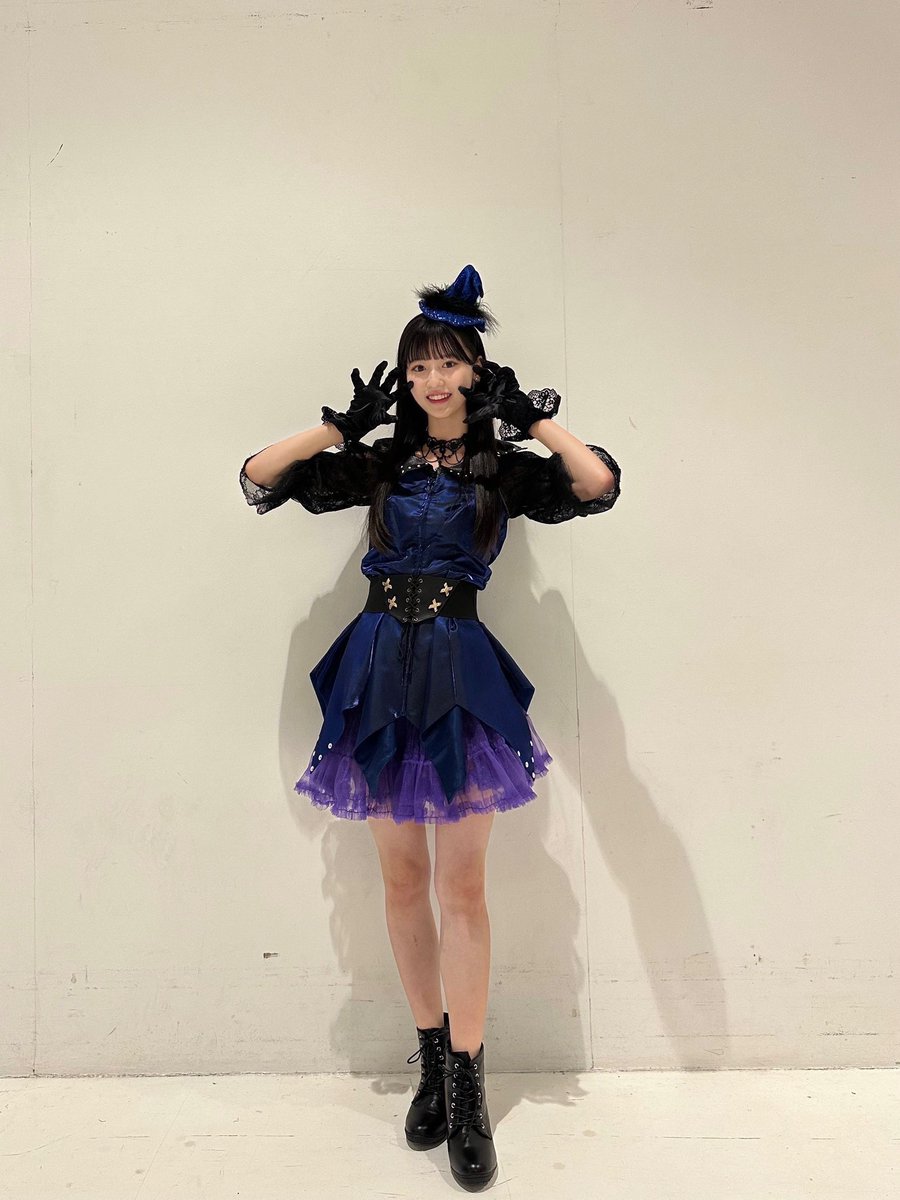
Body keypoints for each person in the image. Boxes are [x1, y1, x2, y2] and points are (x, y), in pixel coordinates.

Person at [239, 265, 621, 1191]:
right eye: (419, 366)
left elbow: (598, 483)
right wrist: (340, 428)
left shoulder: (501, 469)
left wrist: (528, 418)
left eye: (449, 363)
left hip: (460, 671)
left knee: (463, 888)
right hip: (378, 668)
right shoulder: (382, 463)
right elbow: (259, 477)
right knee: (403, 881)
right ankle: (432, 1061)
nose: (432, 380)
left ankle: (470, 1083)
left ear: (476, 371)